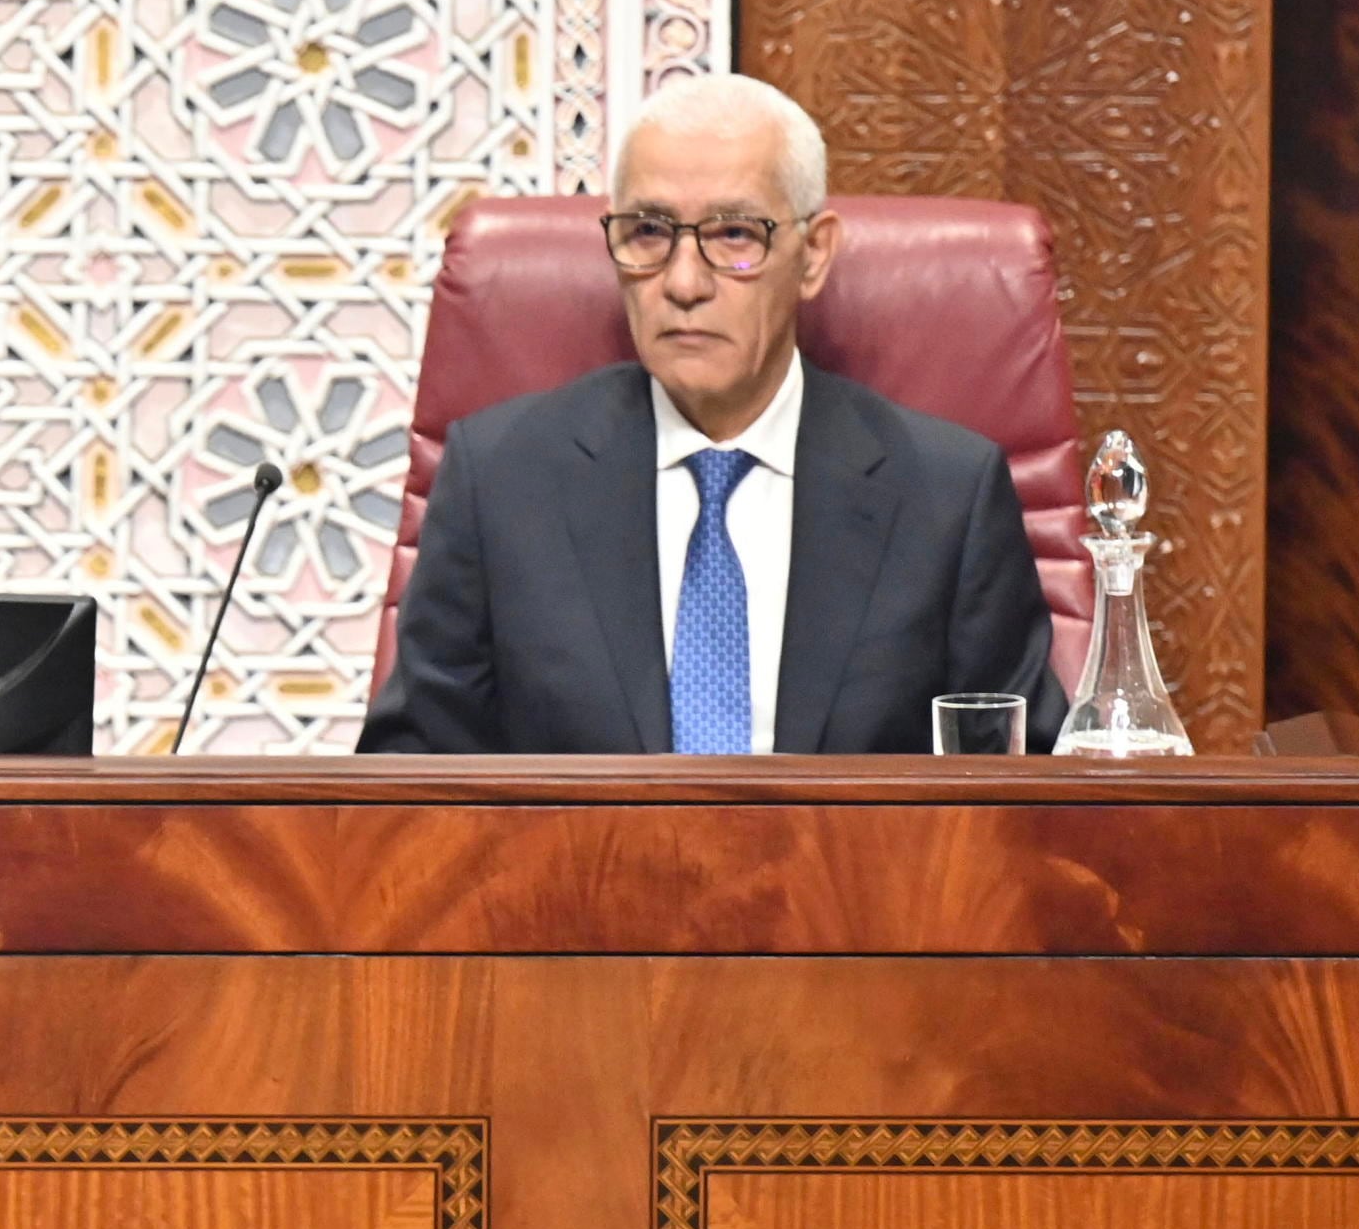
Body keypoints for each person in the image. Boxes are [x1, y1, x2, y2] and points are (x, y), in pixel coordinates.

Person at [361, 70, 1063, 755]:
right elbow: (411, 784)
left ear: (813, 254)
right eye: (646, 233)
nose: (684, 282)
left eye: (733, 236)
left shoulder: (945, 497)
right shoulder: (502, 482)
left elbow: (1029, 791)